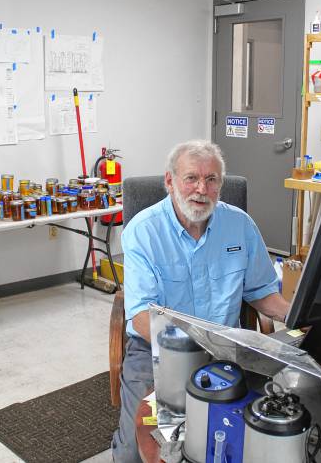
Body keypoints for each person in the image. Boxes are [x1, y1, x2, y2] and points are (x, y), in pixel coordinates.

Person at [111, 140, 290, 463]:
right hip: (158, 352)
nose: (201, 189)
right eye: (191, 178)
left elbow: (262, 292)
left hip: (227, 347)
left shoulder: (240, 226)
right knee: (132, 454)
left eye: (211, 180)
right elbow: (139, 316)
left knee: (260, 433)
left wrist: (300, 314)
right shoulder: (144, 231)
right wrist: (194, 352)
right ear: (170, 182)